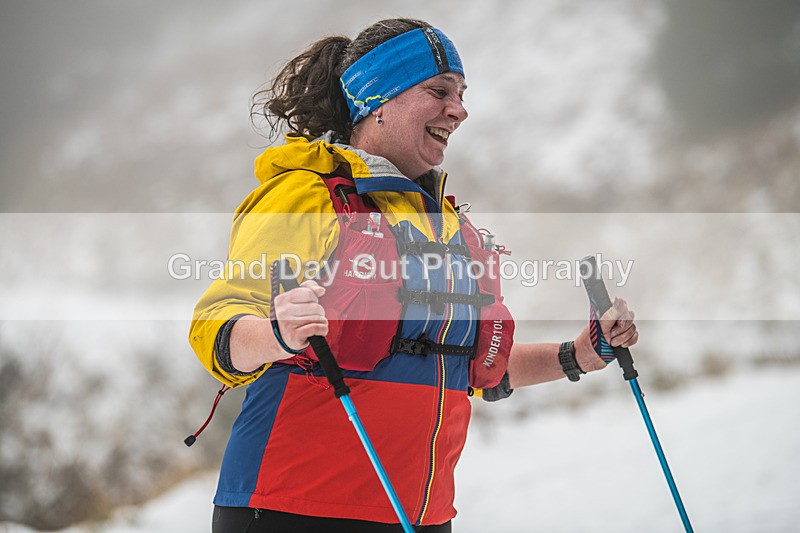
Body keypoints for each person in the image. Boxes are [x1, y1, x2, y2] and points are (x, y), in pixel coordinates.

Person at [189, 18, 638, 533]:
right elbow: (216, 323)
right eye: (439, 90)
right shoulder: (308, 196)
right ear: (379, 99)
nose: (460, 109)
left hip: (418, 515)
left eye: (462, 94)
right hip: (293, 507)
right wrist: (274, 333)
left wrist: (580, 354)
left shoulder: (446, 226)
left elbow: (464, 366)